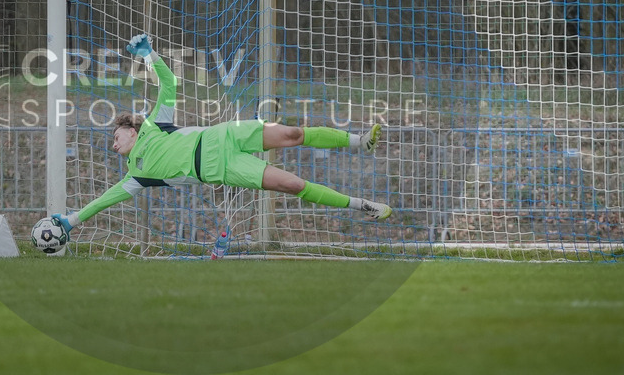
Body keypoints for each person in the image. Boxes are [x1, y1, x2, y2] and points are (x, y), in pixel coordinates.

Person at [51, 33, 392, 239]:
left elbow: (170, 85)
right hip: (222, 168)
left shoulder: (155, 124)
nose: (114, 147)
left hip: (224, 136)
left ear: (130, 128)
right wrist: (72, 219)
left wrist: (149, 55)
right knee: (294, 186)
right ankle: (364, 206)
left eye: (115, 138)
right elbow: (103, 200)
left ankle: (360, 141)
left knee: (292, 133)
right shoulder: (136, 176)